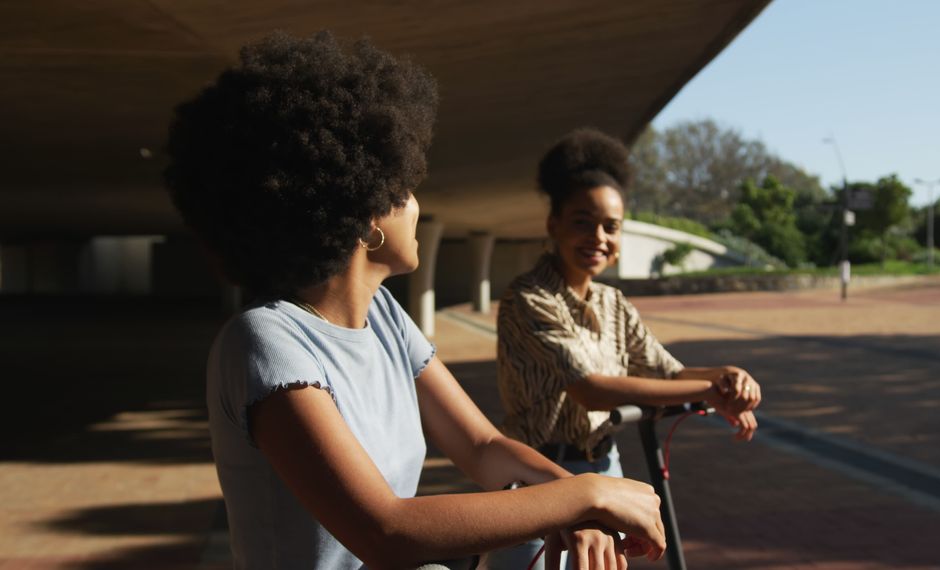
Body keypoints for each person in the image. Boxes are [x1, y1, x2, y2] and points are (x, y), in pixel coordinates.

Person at [164, 32, 666, 570]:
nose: (416, 206)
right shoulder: (265, 342)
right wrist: (586, 495)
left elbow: (481, 447)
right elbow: (387, 531)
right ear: (366, 215)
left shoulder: (383, 317)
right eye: (403, 188)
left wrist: (579, 503)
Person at [491, 128, 763, 567]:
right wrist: (705, 392)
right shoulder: (528, 298)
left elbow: (668, 372)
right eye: (582, 221)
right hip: (536, 483)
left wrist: (726, 377)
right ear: (553, 224)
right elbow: (592, 389)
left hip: (603, 470)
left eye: (610, 226)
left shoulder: (613, 303)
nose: (598, 236)